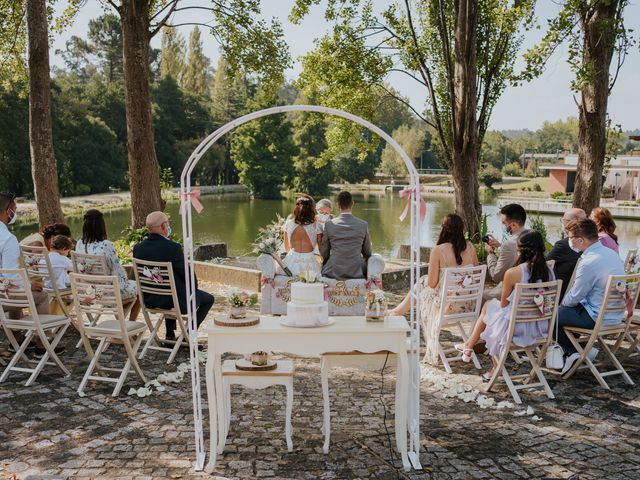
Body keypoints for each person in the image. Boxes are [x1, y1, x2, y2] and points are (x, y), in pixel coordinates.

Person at [457, 231, 554, 379]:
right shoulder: (550, 271)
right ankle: (469, 346)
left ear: (520, 249)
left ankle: (486, 361)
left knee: (490, 310)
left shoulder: (514, 273)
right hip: (540, 328)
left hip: (517, 329)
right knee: (489, 308)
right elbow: (547, 304)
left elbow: (504, 305)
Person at [389, 214, 479, 364]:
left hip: (447, 308)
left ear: (444, 230)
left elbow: (432, 284)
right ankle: (398, 311)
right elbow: (476, 274)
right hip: (468, 307)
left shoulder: (438, 250)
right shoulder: (470, 247)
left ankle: (398, 311)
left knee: (422, 284)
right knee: (421, 283)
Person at [555, 218, 625, 374]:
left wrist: (560, 305)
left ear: (580, 240)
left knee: (551, 315)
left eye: (570, 238)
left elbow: (575, 297)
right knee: (564, 312)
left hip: (597, 317)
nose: (569, 241)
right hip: (615, 314)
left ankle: (572, 351)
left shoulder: (589, 262)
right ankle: (584, 350)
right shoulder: (611, 254)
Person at [133, 211, 214, 340]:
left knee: (169, 285)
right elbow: (186, 274)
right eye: (168, 223)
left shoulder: (138, 248)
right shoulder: (172, 247)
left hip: (150, 300)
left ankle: (170, 334)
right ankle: (186, 335)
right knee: (208, 299)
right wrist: (194, 289)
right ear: (164, 226)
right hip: (175, 302)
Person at [0, 192, 60, 355]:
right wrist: (29, 284)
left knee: (16, 294)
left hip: (4, 295)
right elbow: (10, 275)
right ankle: (42, 343)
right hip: (2, 297)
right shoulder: (7, 238)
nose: (15, 213)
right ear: (8, 212)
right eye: (15, 209)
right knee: (40, 295)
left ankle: (17, 339)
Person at [75, 209, 140, 320]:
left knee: (125, 291)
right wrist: (125, 281)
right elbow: (117, 271)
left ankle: (121, 323)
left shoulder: (79, 244)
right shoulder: (106, 245)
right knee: (138, 288)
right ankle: (129, 325)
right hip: (107, 293)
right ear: (101, 225)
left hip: (89, 292)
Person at [319, 191, 372, 280]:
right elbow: (367, 252)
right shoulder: (363, 224)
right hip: (356, 270)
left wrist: (324, 264)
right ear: (352, 204)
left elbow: (324, 253)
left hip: (334, 270)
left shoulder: (329, 225)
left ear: (337, 205)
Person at [483, 203, 530, 300]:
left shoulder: (509, 244)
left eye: (504, 223)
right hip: (528, 292)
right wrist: (500, 246)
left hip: (510, 294)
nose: (503, 226)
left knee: (478, 296)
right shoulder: (532, 237)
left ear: (513, 224)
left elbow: (496, 276)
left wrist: (490, 254)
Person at [546, 208, 586, 300]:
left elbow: (545, 263)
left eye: (564, 221)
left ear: (572, 223)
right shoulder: (589, 243)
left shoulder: (563, 245)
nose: (563, 224)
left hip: (560, 294)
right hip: (580, 292)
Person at [282, 195, 322, 276]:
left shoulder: (288, 224)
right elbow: (321, 249)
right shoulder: (317, 226)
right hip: (309, 263)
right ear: (311, 209)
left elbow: (286, 248)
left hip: (291, 261)